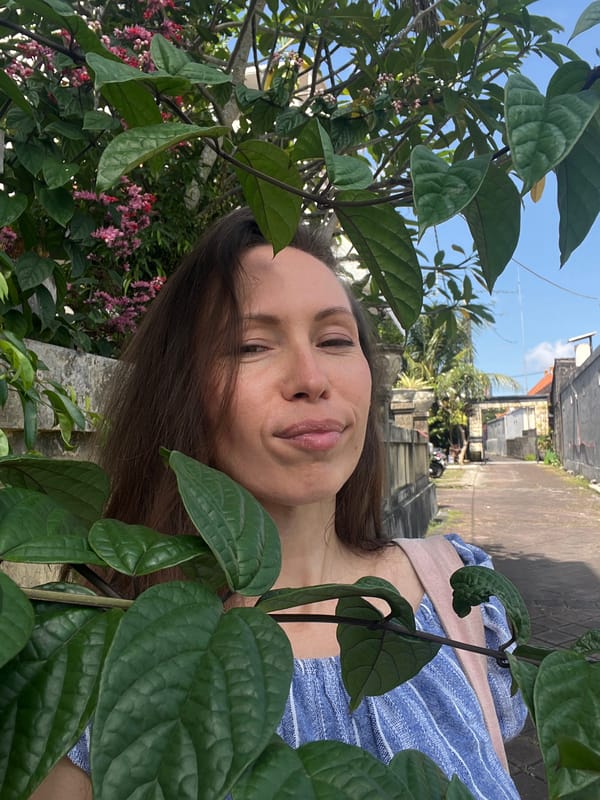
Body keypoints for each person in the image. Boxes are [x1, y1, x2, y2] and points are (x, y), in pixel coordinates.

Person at [31, 208, 525, 799]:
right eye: (251, 345)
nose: (310, 377)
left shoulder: (461, 599)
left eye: (336, 340)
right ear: (184, 389)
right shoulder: (101, 659)